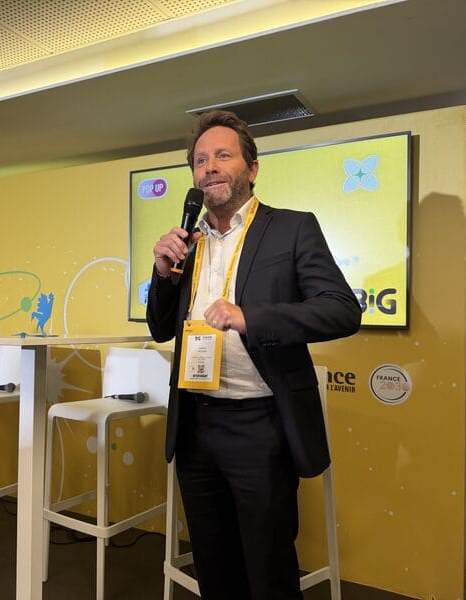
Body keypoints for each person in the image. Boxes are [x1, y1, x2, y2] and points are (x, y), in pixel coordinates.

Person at [146, 109, 361, 600]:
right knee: (214, 569)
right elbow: (160, 327)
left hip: (260, 427)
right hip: (195, 426)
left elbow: (342, 310)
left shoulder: (292, 229)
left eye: (223, 155)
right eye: (200, 161)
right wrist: (161, 273)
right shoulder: (186, 243)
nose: (209, 168)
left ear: (253, 167)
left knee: (268, 572)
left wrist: (251, 317)